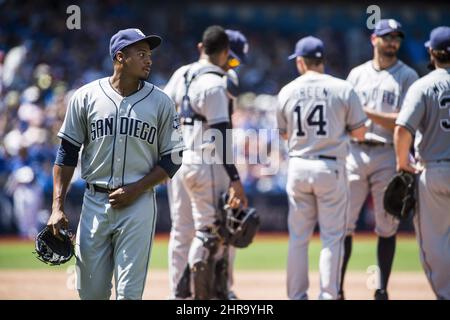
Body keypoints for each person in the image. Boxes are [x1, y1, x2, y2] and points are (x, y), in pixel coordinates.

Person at [46, 28, 184, 300]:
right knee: (90, 292)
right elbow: (66, 154)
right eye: (141, 54)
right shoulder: (85, 97)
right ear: (120, 57)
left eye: (149, 54)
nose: (149, 60)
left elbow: (174, 158)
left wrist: (137, 188)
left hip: (139, 204)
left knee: (129, 294)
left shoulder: (161, 102)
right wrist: (56, 207)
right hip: (94, 201)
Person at [277, 36, 367, 300]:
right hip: (331, 166)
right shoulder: (342, 88)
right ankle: (328, 295)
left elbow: (283, 135)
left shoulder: (287, 90)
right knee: (332, 237)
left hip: (299, 165)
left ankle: (297, 295)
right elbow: (360, 133)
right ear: (322, 60)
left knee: (298, 238)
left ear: (302, 62)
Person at [164, 25, 248, 300]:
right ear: (226, 54)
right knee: (214, 230)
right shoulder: (220, 81)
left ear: (202, 48)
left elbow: (161, 113)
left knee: (182, 231)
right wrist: (235, 178)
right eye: (232, 58)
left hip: (179, 161)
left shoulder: (182, 73)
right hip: (207, 161)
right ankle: (209, 293)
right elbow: (220, 134)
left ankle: (180, 293)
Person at [341, 19, 419, 300]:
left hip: (387, 152)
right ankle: (337, 288)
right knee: (344, 224)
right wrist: (360, 116)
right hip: (355, 151)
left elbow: (405, 121)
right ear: (374, 40)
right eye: (386, 37)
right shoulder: (357, 74)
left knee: (387, 225)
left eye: (396, 38)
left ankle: (382, 289)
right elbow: (345, 117)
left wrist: (366, 113)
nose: (392, 42)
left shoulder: (408, 76)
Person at [394, 26, 450, 300]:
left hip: (435, 169)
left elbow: (403, 129)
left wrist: (402, 162)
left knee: (434, 243)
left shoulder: (423, 85)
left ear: (431, 52)